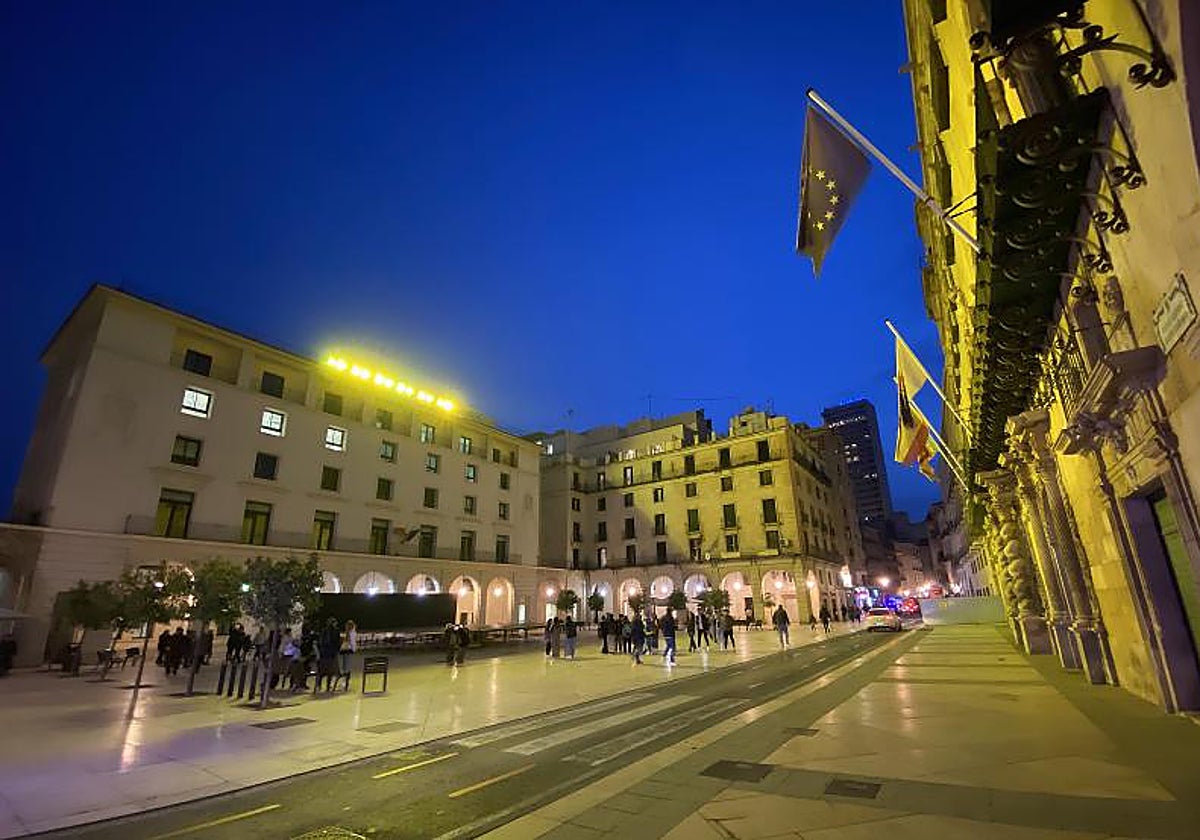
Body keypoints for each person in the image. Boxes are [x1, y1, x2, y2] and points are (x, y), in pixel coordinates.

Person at [317, 618, 341, 691]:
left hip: (324, 653)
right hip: (332, 653)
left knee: (322, 670)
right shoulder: (335, 630)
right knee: (330, 670)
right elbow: (337, 642)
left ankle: (319, 685)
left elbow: (320, 642)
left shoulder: (324, 630)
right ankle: (328, 686)